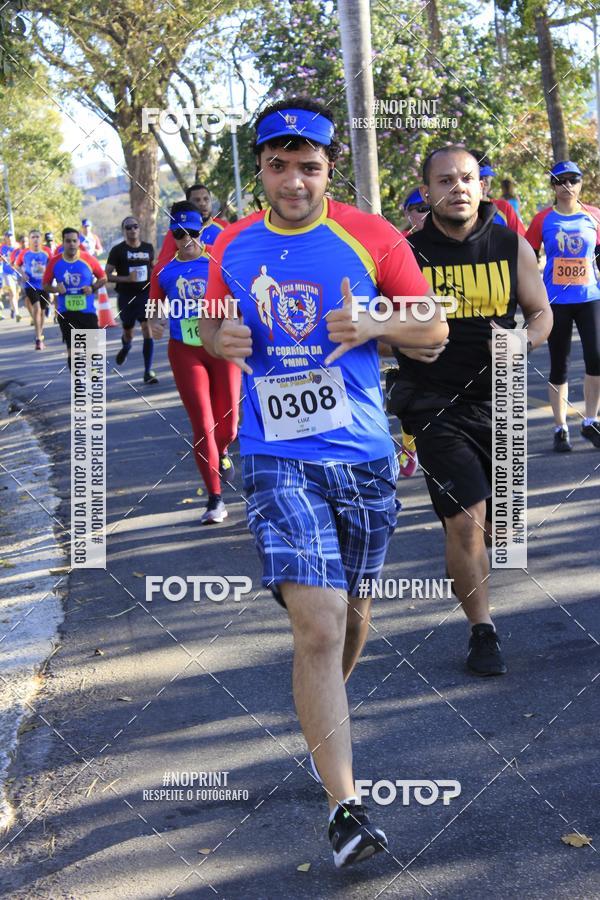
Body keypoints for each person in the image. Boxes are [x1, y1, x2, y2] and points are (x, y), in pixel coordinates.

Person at [200, 97, 448, 867]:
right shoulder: (232, 247)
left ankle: (321, 719)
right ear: (263, 170)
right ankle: (346, 808)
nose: (295, 180)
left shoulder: (371, 236)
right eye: (279, 166)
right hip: (275, 454)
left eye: (309, 167)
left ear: (328, 167)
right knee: (317, 622)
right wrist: (221, 335)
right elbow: (208, 326)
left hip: (365, 455)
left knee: (351, 618)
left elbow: (432, 328)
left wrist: (378, 323)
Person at [388, 145, 552, 676]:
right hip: (434, 401)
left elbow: (541, 311)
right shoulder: (406, 252)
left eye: (467, 179)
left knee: (503, 533)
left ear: (481, 186)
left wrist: (524, 341)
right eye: (445, 180)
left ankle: (484, 572)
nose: (457, 187)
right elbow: (376, 326)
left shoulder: (509, 244)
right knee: (464, 522)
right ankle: (483, 631)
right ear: (426, 189)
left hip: (501, 396)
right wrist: (403, 343)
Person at [148, 201, 241, 521]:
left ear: (202, 231)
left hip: (221, 347)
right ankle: (215, 498)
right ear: (171, 235)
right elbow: (153, 308)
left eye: (192, 233)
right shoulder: (163, 270)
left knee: (228, 425)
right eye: (179, 233)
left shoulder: (220, 256)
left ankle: (223, 450)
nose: (186, 239)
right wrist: (155, 322)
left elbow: (240, 295)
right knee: (203, 425)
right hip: (185, 350)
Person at [525, 161, 600, 451]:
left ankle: (590, 421)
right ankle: (560, 427)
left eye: (573, 180)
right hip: (556, 301)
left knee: (596, 360)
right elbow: (527, 260)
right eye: (561, 180)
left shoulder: (593, 216)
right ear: (553, 186)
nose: (567, 185)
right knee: (560, 365)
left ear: (581, 183)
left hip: (589, 298)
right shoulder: (543, 219)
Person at [397, 187, 431, 476]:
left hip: (448, 331)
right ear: (407, 214)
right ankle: (409, 443)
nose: (425, 214)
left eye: (429, 207)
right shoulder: (400, 246)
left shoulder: (450, 242)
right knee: (407, 395)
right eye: (419, 209)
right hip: (411, 330)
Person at [42, 227, 107, 369]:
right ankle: (79, 386)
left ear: (78, 242)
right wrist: (56, 289)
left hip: (87, 312)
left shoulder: (88, 259)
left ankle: (91, 382)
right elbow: (45, 285)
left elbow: (103, 277)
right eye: (68, 241)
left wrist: (93, 288)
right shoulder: (54, 262)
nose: (71, 244)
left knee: (92, 350)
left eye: (74, 241)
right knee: (74, 350)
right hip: (66, 313)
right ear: (63, 243)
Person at [106, 216, 157, 383]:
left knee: (146, 328)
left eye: (135, 226)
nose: (132, 230)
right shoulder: (117, 250)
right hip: (126, 297)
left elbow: (154, 268)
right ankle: (126, 346)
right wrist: (126, 278)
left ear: (139, 229)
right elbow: (106, 275)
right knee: (128, 332)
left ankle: (148, 372)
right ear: (124, 230)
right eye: (128, 227)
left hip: (145, 295)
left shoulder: (148, 248)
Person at [155, 184, 227, 273]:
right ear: (188, 203)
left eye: (206, 199)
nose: (202, 203)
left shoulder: (225, 228)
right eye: (197, 200)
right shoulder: (176, 232)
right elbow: (164, 266)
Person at [470, 151, 526, 235]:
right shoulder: (456, 210)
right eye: (479, 177)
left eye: (487, 176)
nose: (484, 181)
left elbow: (523, 241)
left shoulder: (504, 208)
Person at [14, 230, 52, 349]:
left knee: (42, 311)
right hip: (31, 285)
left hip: (44, 285)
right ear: (29, 240)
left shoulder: (47, 252)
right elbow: (16, 265)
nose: (35, 239)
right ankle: (37, 338)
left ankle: (40, 335)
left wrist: (49, 275)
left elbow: (52, 265)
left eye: (37, 237)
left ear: (41, 239)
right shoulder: (24, 253)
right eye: (33, 237)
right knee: (36, 308)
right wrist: (22, 274)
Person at [0, 231, 21, 321]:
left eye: (11, 236)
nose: (10, 238)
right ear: (5, 238)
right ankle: (17, 313)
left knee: (16, 294)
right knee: (12, 292)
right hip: (7, 273)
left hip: (18, 273)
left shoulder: (18, 247)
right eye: (8, 237)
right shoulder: (2, 248)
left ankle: (12, 308)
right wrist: (2, 259)